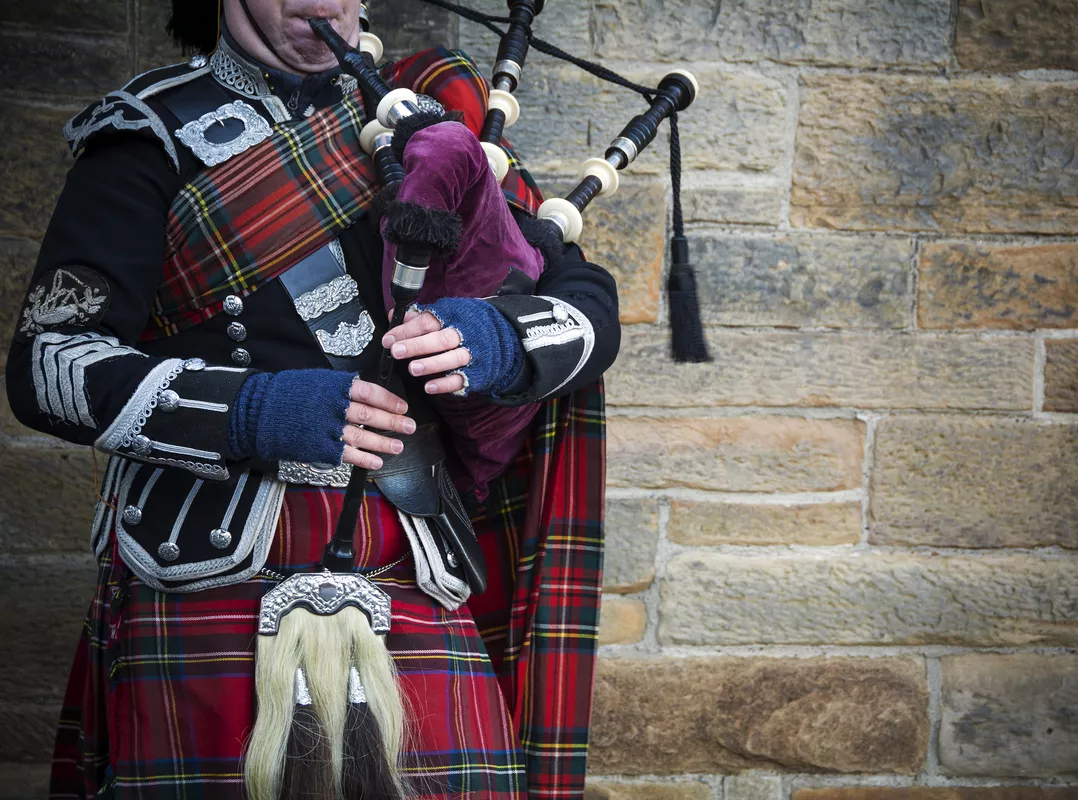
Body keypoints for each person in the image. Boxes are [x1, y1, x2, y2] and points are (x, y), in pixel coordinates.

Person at [5, 0, 618, 796]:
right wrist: (255, 409)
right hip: (210, 566)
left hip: (412, 555)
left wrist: (502, 338)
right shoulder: (148, 134)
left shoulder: (424, 127)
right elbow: (48, 365)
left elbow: (577, 290)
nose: (323, 4)